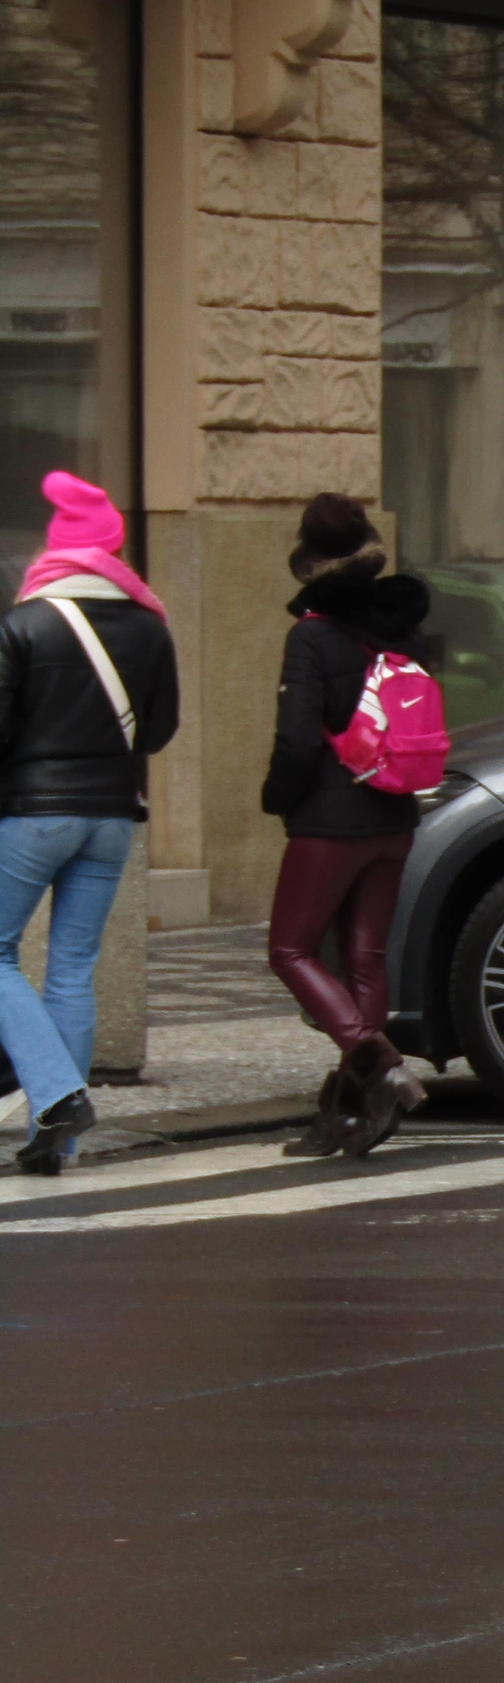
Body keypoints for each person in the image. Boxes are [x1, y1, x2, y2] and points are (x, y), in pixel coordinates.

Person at [0, 472, 179, 1174]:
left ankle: (57, 1095)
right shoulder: (149, 625)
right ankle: (61, 1141)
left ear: (58, 547)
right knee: (73, 969)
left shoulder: (23, 624)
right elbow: (159, 731)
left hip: (32, 817)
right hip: (112, 818)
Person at [262, 494, 434, 1157]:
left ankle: (380, 1064)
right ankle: (350, 1114)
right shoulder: (400, 627)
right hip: (394, 812)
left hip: (330, 820)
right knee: (363, 959)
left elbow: (298, 740)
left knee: (291, 950)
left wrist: (278, 797)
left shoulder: (311, 636)